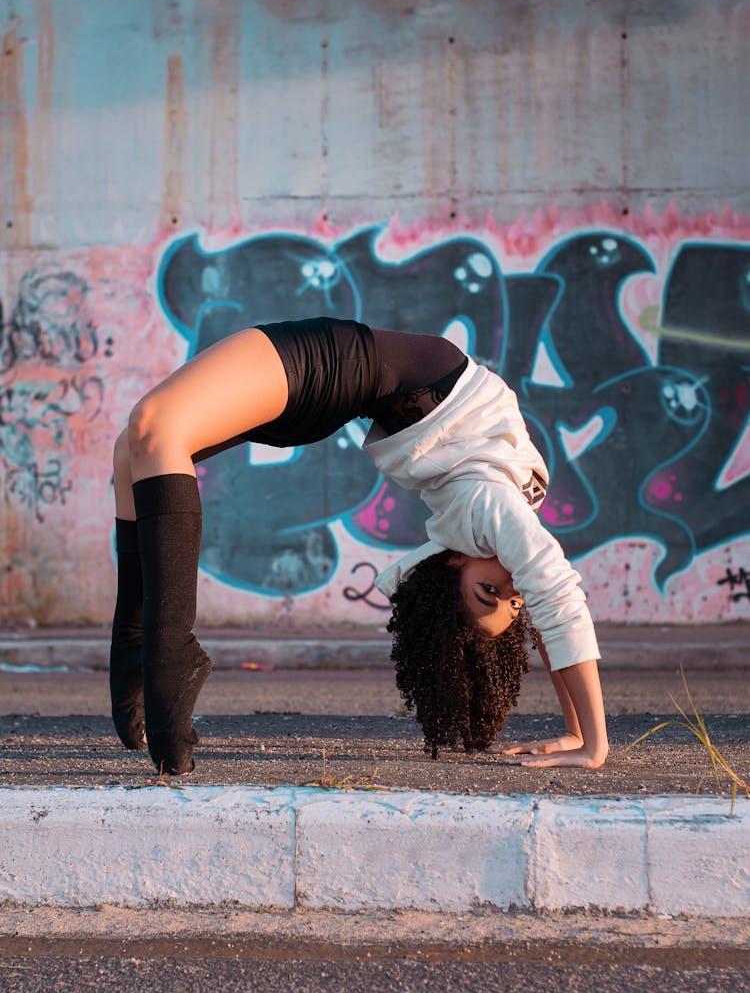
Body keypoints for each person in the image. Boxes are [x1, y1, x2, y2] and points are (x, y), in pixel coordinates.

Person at [111, 317, 608, 775]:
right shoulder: (499, 516)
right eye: (510, 598)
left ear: (453, 564)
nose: (509, 584)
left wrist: (584, 739)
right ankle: (152, 652)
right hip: (367, 376)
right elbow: (553, 602)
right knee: (136, 445)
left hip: (356, 378)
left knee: (151, 430)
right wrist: (585, 737)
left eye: (488, 595)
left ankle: (153, 653)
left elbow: (551, 603)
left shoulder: (483, 509)